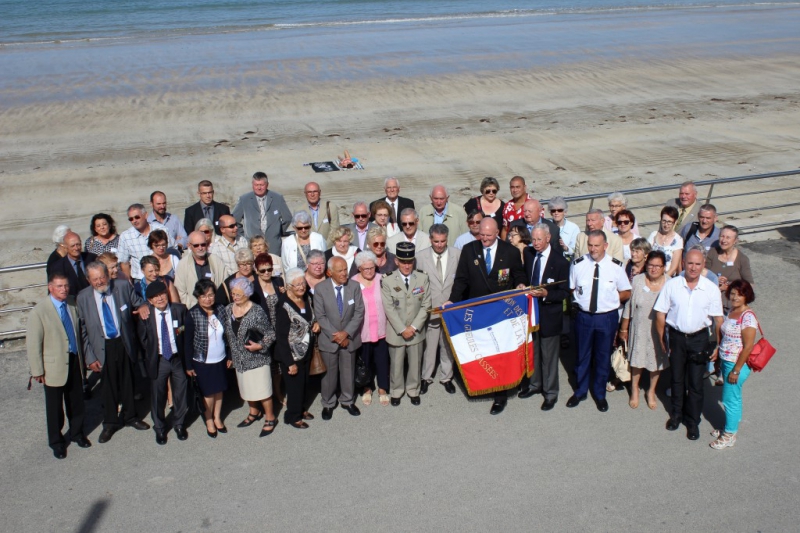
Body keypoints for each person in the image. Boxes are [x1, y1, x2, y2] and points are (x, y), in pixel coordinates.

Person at [446, 217, 527, 415]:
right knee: (482, 350)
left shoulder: (511, 252)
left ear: (498, 232)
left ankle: (501, 394)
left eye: (489, 236)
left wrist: (520, 285)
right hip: (478, 311)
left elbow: (519, 275)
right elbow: (462, 279)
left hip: (501, 312)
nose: (484, 239)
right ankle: (484, 384)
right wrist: (452, 301)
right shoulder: (469, 249)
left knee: (500, 352)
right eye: (481, 235)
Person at [76, 262, 151, 443]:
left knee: (128, 381)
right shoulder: (83, 298)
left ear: (108, 276)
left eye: (102, 277)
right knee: (108, 386)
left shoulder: (122, 286)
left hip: (123, 342)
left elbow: (138, 301)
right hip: (102, 346)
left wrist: (141, 306)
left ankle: (131, 416)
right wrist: (89, 357)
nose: (100, 282)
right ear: (88, 280)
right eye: (95, 279)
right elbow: (83, 331)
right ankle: (110, 423)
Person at [654, 248, 723, 441]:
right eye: (690, 263)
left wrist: (718, 345)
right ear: (683, 263)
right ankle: (676, 415)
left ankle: (692, 422)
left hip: (699, 339)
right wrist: (662, 339)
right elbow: (660, 313)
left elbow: (718, 319)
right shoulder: (672, 285)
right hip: (676, 337)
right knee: (676, 380)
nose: (693, 268)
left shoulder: (710, 289)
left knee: (695, 384)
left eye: (697, 264)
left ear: (703, 266)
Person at [26, 273, 90, 459]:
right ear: (50, 287)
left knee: (76, 402)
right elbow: (33, 344)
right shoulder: (39, 311)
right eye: (59, 286)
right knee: (55, 408)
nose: (64, 289)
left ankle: (77, 433)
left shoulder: (72, 303)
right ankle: (57, 442)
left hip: (74, 360)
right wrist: (37, 370)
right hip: (52, 367)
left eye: (66, 286)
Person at [568, 230, 631, 412]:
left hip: (606, 317)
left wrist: (610, 301)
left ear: (605, 246)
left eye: (597, 245)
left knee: (603, 357)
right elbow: (572, 289)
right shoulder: (578, 264)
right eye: (590, 245)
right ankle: (580, 391)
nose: (593, 249)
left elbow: (626, 291)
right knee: (582, 356)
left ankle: (599, 394)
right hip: (584, 317)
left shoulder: (616, 266)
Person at [518, 225, 570, 410]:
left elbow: (564, 292)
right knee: (533, 352)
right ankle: (534, 384)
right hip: (531, 313)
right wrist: (522, 283)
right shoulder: (530, 254)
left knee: (549, 356)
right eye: (533, 239)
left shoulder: (561, 262)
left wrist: (547, 294)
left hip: (549, 314)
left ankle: (550, 393)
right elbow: (525, 274)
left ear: (548, 238)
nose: (536, 243)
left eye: (539, 239)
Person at [223, 277, 278, 437]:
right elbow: (229, 336)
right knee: (247, 389)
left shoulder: (256, 311)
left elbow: (270, 333)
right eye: (233, 294)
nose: (235, 297)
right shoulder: (228, 310)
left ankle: (270, 417)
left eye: (238, 294)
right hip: (240, 359)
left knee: (263, 391)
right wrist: (231, 355)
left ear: (247, 294)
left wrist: (260, 345)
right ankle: (254, 412)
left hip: (257, 358)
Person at [136, 281, 189, 445]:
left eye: (162, 294)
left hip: (177, 358)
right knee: (158, 396)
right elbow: (142, 338)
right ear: (150, 301)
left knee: (181, 393)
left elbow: (185, 331)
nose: (159, 299)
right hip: (159, 360)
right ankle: (159, 428)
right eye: (154, 297)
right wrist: (151, 354)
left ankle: (179, 424)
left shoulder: (179, 310)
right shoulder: (146, 315)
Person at [314, 256, 365, 420]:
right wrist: (336, 335)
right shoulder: (320, 289)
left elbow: (359, 312)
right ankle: (328, 403)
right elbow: (320, 316)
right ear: (329, 272)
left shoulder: (354, 286)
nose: (344, 273)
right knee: (329, 375)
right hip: (329, 339)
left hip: (349, 338)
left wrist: (346, 333)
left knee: (348, 372)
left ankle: (347, 400)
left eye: (345, 269)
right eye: (340, 270)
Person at [381, 243, 431, 406]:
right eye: (403, 262)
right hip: (397, 331)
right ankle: (396, 391)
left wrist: (414, 327)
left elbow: (426, 305)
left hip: (416, 330)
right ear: (396, 261)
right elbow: (388, 308)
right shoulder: (387, 280)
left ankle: (413, 390)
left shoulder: (422, 278)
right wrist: (403, 329)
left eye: (409, 261)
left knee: (415, 363)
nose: (407, 265)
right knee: (396, 364)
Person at [710, 280, 758, 450]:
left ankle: (730, 434)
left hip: (736, 364)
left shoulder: (748, 317)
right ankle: (728, 427)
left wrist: (736, 370)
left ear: (747, 296)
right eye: (732, 293)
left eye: (740, 294)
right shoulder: (732, 311)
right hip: (726, 360)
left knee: (730, 400)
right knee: (732, 397)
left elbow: (748, 347)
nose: (735, 297)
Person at [619, 251, 669, 410]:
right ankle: (635, 389)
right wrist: (623, 328)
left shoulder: (670, 283)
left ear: (664, 267)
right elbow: (629, 306)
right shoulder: (638, 281)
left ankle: (651, 391)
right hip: (639, 327)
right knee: (637, 360)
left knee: (656, 361)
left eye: (657, 266)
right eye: (651, 265)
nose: (653, 269)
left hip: (659, 330)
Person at [416, 224, 460, 395]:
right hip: (430, 309)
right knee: (430, 345)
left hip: (450, 308)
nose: (440, 245)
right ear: (430, 239)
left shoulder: (457, 254)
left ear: (447, 239)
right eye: (436, 241)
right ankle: (426, 377)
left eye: (442, 241)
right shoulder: (420, 257)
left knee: (448, 345)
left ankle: (446, 377)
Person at [184, 279, 232, 438]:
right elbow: (187, 342)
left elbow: (228, 335)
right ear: (197, 297)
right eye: (204, 296)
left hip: (220, 358)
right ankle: (209, 419)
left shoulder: (220, 309)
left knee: (219, 391)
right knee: (208, 394)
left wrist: (230, 355)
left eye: (211, 295)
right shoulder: (193, 314)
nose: (208, 299)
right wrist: (189, 365)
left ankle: (218, 417)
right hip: (202, 361)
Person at [274, 268, 319, 428]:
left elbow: (311, 317)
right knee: (294, 387)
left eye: (303, 283)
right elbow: (281, 337)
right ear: (289, 286)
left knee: (305, 383)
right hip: (291, 355)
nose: (301, 287)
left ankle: (301, 409)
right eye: (297, 284)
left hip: (306, 350)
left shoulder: (307, 297)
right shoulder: (283, 305)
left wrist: (316, 324)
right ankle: (293, 416)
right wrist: (289, 362)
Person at [352, 251, 390, 406]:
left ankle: (383, 388)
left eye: (371, 267)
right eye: (365, 268)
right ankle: (366, 388)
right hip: (363, 331)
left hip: (382, 328)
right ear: (359, 268)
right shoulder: (353, 282)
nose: (369, 271)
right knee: (365, 362)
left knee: (382, 361)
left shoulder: (382, 279)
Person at [232, 171, 293, 254]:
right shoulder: (244, 199)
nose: (259, 188)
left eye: (262, 185)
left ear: (267, 184)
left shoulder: (277, 198)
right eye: (256, 185)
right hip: (253, 245)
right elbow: (234, 219)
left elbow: (288, 218)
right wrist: (244, 235)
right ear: (252, 185)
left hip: (273, 245)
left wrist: (278, 231)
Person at [117, 203, 174, 282]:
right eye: (131, 219)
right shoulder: (125, 236)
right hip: (140, 279)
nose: (134, 221)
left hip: (163, 276)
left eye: (137, 217)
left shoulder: (161, 229)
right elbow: (124, 263)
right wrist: (129, 282)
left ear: (146, 215)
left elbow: (171, 250)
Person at [706, 225, 755, 311]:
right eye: (722, 236)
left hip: (731, 306)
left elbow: (750, 285)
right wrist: (715, 279)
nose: (724, 240)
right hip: (710, 302)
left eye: (728, 238)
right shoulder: (712, 253)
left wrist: (730, 287)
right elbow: (703, 274)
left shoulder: (742, 259)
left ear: (735, 240)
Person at [174, 231, 226, 308]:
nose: (200, 248)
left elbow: (223, 285)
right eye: (196, 245)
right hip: (193, 309)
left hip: (215, 307)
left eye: (203, 244)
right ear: (189, 246)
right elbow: (181, 292)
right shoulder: (183, 264)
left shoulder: (216, 261)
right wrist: (193, 308)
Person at [51, 231, 96, 296]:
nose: (76, 248)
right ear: (66, 247)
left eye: (78, 244)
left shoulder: (92, 258)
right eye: (72, 246)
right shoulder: (58, 267)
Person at [297, 181, 340, 247]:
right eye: (309, 192)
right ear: (305, 194)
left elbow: (335, 230)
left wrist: (325, 246)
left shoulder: (331, 207)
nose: (312, 194)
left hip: (327, 248)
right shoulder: (299, 210)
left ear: (319, 192)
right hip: (309, 249)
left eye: (315, 191)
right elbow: (299, 232)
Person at [647, 206, 684, 278]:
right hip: (650, 274)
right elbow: (646, 256)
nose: (666, 225)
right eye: (664, 221)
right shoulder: (653, 235)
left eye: (669, 222)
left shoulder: (678, 240)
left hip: (667, 277)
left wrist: (663, 280)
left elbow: (674, 267)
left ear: (675, 222)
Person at [548, 196, 581, 261]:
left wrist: (565, 247)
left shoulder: (573, 228)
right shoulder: (546, 226)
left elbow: (576, 250)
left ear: (565, 212)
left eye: (560, 210)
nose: (556, 213)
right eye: (553, 210)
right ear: (551, 213)